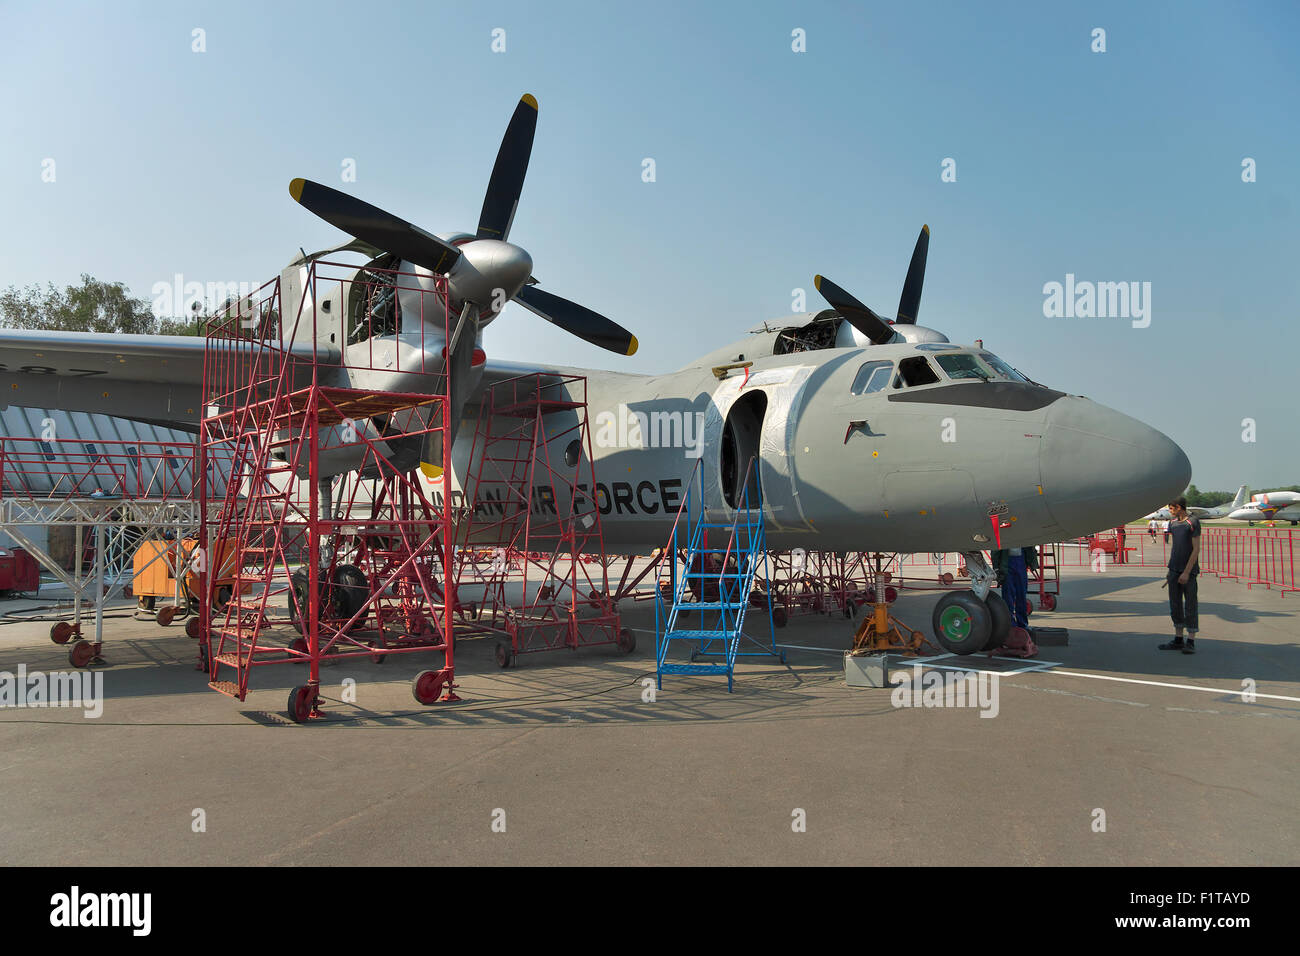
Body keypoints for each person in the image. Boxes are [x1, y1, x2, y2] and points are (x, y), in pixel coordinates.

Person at [1159, 496, 1201, 654]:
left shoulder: (1193, 522)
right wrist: (1171, 571)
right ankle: (1178, 639)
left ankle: (1190, 640)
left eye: (1171, 508)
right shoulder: (1172, 524)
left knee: (1190, 605)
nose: (1170, 511)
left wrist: (1186, 572)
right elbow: (1176, 548)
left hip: (1188, 572)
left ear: (1179, 507)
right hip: (1174, 570)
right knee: (1175, 605)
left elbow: (1196, 549)